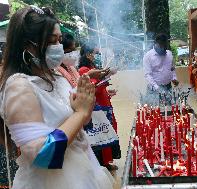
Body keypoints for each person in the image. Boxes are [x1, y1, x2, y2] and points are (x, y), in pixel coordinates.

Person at [0, 6, 113, 189]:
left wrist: (85, 108)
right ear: (27, 45)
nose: (59, 47)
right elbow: (42, 155)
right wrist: (80, 114)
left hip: (83, 173)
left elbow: (76, 126)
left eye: (60, 40)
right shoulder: (19, 86)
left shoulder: (57, 77)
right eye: (52, 41)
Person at [78, 43, 120, 171]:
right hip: (96, 107)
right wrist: (105, 77)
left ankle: (107, 161)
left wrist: (108, 92)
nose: (96, 56)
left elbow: (100, 86)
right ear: (87, 54)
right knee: (100, 134)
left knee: (108, 131)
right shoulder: (84, 70)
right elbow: (92, 87)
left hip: (104, 103)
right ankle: (102, 163)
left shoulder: (93, 67)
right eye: (95, 53)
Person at [143, 33, 179, 106]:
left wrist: (174, 78)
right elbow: (148, 75)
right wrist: (157, 88)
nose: (163, 48)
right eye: (161, 45)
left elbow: (172, 68)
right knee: (154, 113)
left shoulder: (169, 54)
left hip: (168, 87)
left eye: (165, 45)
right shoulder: (148, 56)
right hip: (154, 90)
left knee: (168, 111)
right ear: (155, 43)